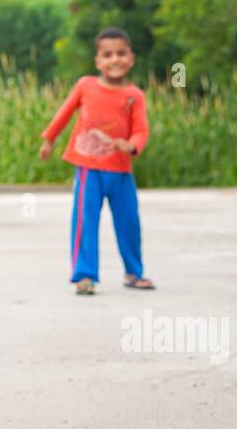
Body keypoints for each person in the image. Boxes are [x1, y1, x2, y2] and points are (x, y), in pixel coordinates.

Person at [39, 27, 154, 294]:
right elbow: (64, 113)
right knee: (85, 220)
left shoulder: (134, 96)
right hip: (89, 170)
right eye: (108, 54)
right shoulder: (85, 86)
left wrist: (133, 146)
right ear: (98, 61)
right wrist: (49, 139)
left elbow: (141, 130)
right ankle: (84, 275)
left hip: (121, 171)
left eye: (121, 53)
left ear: (131, 58)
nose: (115, 60)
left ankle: (134, 272)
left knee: (129, 222)